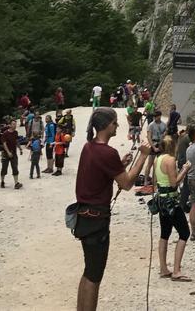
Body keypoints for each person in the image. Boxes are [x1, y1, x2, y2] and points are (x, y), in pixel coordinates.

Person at [74, 107, 150, 311]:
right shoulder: (107, 152)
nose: (117, 126)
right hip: (96, 220)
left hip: (83, 217)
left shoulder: (89, 147)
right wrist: (142, 157)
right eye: (115, 123)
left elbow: (102, 172)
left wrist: (119, 164)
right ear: (107, 125)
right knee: (95, 275)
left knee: (89, 270)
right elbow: (126, 184)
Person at [154, 134, 192, 281]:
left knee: (165, 233)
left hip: (161, 200)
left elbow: (156, 181)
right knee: (184, 233)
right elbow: (174, 183)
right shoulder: (170, 160)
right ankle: (176, 270)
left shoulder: (157, 159)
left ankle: (164, 268)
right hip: (171, 201)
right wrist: (185, 169)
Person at [144, 109, 167, 184]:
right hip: (153, 144)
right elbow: (149, 137)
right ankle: (145, 180)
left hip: (161, 144)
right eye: (155, 116)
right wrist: (153, 147)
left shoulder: (164, 124)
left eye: (157, 116)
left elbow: (165, 135)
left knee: (158, 164)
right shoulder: (151, 125)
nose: (156, 118)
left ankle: (155, 181)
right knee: (150, 163)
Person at [0, 120, 23, 189]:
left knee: (15, 168)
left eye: (15, 124)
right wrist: (8, 152)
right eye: (13, 124)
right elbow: (4, 144)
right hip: (5, 154)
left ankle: (16, 183)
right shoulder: (5, 134)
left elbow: (16, 141)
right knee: (4, 169)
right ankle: (2, 181)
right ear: (9, 125)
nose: (15, 125)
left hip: (14, 153)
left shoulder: (15, 132)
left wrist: (20, 148)